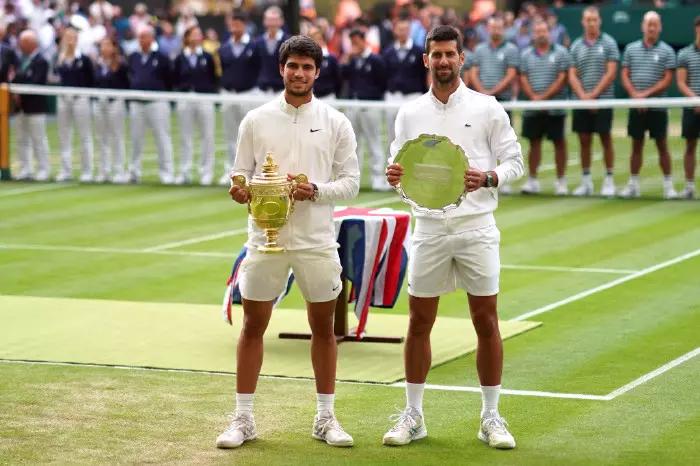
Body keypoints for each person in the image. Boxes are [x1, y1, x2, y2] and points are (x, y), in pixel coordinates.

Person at [216, 35, 360, 450]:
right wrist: (240, 190)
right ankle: (243, 419)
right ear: (282, 69)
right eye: (293, 66)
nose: (299, 73)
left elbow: (350, 183)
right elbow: (239, 172)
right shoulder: (256, 120)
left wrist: (314, 190)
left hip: (316, 240)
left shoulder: (336, 122)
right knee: (253, 325)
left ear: (317, 72)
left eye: (307, 67)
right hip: (264, 238)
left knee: (323, 330)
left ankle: (325, 417)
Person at [383, 25, 523, 450]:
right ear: (425, 60)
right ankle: (414, 416)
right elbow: (399, 165)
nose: (443, 61)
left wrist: (490, 176)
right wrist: (393, 176)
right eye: (435, 55)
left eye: (450, 54)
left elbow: (514, 161)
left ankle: (491, 417)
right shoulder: (409, 113)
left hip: (476, 228)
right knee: (419, 322)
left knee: (486, 320)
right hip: (427, 229)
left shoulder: (487, 107)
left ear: (462, 58)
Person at [619, 11, 677, 199]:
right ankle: (633, 184)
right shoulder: (630, 49)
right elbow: (625, 75)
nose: (651, 28)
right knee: (636, 145)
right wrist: (636, 96)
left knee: (662, 145)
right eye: (648, 24)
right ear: (643, 26)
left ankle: (669, 186)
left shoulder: (667, 51)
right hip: (637, 107)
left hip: (657, 108)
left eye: (655, 24)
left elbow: (667, 79)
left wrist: (645, 95)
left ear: (659, 27)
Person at [568, 6, 619, 197]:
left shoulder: (609, 43)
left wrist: (593, 95)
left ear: (599, 21)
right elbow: (572, 74)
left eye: (594, 19)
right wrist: (583, 96)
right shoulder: (576, 45)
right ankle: (586, 181)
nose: (591, 23)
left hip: (603, 101)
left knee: (605, 139)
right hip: (581, 102)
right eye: (588, 19)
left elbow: (611, 72)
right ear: (583, 22)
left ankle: (609, 180)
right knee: (584, 140)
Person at [519, 19, 571, 195]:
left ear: (550, 33)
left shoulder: (562, 53)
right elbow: (523, 78)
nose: (541, 34)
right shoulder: (526, 55)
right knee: (534, 143)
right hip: (533, 107)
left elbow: (562, 78)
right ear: (534, 34)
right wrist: (534, 98)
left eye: (544, 31)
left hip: (555, 107)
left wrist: (543, 98)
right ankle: (532, 181)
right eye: (538, 31)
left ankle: (561, 182)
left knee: (559, 143)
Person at [469, 16, 520, 194]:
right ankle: (484, 177)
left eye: (499, 27)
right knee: (482, 139)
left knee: (503, 141)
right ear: (488, 29)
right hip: (482, 102)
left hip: (502, 101)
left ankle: (502, 177)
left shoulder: (512, 49)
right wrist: (483, 92)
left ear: (503, 29)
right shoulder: (480, 49)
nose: (496, 30)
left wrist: (492, 92)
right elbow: (474, 73)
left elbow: (511, 74)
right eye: (493, 27)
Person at [127, 24, 175, 184]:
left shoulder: (161, 57)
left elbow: (169, 79)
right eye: (140, 37)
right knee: (136, 139)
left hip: (157, 102)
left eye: (145, 36)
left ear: (152, 38)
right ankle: (134, 172)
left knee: (162, 138)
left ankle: (167, 174)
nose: (142, 40)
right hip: (137, 103)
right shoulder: (133, 57)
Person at [341, 28, 387, 191]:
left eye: (356, 42)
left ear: (363, 40)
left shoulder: (375, 60)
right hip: (353, 105)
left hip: (370, 106)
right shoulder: (352, 61)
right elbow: (343, 76)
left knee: (374, 142)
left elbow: (382, 83)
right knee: (353, 144)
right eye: (352, 43)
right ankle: (355, 178)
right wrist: (347, 58)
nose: (354, 46)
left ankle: (378, 178)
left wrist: (372, 97)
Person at [218, 11, 261, 185]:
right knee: (230, 135)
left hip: (248, 93)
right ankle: (232, 170)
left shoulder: (254, 46)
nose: (234, 27)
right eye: (232, 24)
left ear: (244, 25)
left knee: (250, 135)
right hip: (229, 94)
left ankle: (252, 171)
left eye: (238, 24)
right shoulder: (224, 47)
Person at [173, 25, 218, 185]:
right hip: (185, 100)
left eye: (199, 34)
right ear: (187, 38)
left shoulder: (207, 56)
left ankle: (206, 173)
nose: (197, 37)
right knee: (185, 136)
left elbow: (213, 78)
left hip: (204, 99)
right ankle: (185, 171)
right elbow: (175, 79)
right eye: (194, 34)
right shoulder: (180, 58)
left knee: (207, 136)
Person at [55, 26, 95, 182]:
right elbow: (57, 76)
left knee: (84, 135)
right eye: (67, 37)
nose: (69, 40)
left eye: (72, 37)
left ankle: (87, 171)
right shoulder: (60, 58)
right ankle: (66, 170)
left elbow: (90, 80)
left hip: (81, 99)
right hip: (64, 99)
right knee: (64, 135)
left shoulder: (84, 59)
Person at [11, 29, 50, 181]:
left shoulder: (42, 61)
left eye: (22, 43)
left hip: (35, 107)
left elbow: (36, 82)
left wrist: (21, 92)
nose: (20, 46)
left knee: (38, 138)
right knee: (21, 139)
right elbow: (16, 79)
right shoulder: (21, 60)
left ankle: (43, 169)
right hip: (20, 107)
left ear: (30, 43)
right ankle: (25, 168)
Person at [382, 16, 427, 142]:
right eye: (400, 29)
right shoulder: (388, 52)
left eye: (405, 29)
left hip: (413, 96)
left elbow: (424, 74)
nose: (402, 32)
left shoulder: (419, 52)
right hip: (393, 96)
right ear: (395, 31)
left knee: (414, 132)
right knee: (392, 133)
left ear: (409, 31)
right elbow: (384, 75)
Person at [93, 37, 129, 183]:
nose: (104, 48)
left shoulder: (121, 65)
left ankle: (119, 170)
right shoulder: (97, 64)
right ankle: (103, 170)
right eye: (102, 45)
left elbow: (125, 83)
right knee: (101, 138)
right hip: (99, 103)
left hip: (115, 102)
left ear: (114, 48)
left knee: (117, 137)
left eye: (108, 45)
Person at [675, 16, 700, 199]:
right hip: (692, 107)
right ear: (696, 30)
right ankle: (690, 186)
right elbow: (682, 82)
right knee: (690, 145)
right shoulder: (684, 54)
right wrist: (696, 100)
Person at [255, 6, 289, 94]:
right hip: (261, 90)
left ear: (281, 21)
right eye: (269, 19)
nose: (272, 23)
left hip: (282, 89)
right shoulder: (257, 42)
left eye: (275, 20)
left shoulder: (289, 42)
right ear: (264, 21)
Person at [308, 25, 341, 100]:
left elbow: (338, 80)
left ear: (322, 39)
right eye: (311, 38)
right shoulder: (306, 58)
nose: (314, 41)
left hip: (328, 97)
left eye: (317, 38)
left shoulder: (331, 58)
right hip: (310, 98)